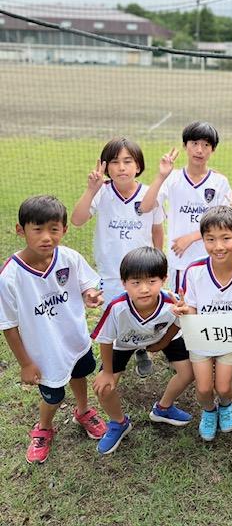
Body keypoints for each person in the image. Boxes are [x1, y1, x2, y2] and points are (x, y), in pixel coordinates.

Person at [0, 196, 106, 464]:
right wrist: (26, 364)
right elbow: (9, 326)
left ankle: (83, 411)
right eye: (38, 229)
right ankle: (44, 428)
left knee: (79, 374)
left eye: (54, 229)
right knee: (53, 395)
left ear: (64, 230)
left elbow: (87, 284)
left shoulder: (69, 257)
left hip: (75, 339)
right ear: (21, 230)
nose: (47, 237)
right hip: (44, 351)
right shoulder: (10, 277)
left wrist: (90, 294)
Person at [71, 137, 176, 378]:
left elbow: (157, 230)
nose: (121, 167)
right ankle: (116, 357)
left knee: (143, 310)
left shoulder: (150, 193)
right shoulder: (102, 192)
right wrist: (91, 190)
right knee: (116, 315)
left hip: (142, 271)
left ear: (138, 165)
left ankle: (141, 348)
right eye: (115, 162)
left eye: (128, 161)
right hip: (111, 271)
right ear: (106, 166)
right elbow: (76, 220)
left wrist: (159, 261)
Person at [175, 206, 232, 442]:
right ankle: (209, 410)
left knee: (224, 387)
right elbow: (191, 308)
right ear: (203, 240)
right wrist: (185, 312)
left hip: (230, 339)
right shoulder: (194, 271)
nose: (218, 246)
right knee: (204, 388)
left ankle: (226, 404)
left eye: (226, 238)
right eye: (210, 239)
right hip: (202, 338)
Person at [91, 247, 194, 455]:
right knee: (104, 388)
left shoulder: (172, 302)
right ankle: (119, 423)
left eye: (152, 281)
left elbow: (178, 323)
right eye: (136, 283)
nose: (144, 289)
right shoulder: (117, 307)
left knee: (189, 372)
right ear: (124, 283)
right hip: (124, 343)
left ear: (164, 279)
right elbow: (106, 339)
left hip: (162, 336)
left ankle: (163, 408)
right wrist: (107, 371)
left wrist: (163, 343)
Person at [140, 121, 232, 294]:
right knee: (181, 307)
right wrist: (161, 176)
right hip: (180, 262)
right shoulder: (172, 179)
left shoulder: (219, 182)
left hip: (211, 260)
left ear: (213, 150)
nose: (199, 150)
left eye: (206, 145)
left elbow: (225, 221)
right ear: (185, 145)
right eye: (194, 143)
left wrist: (191, 237)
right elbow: (145, 207)